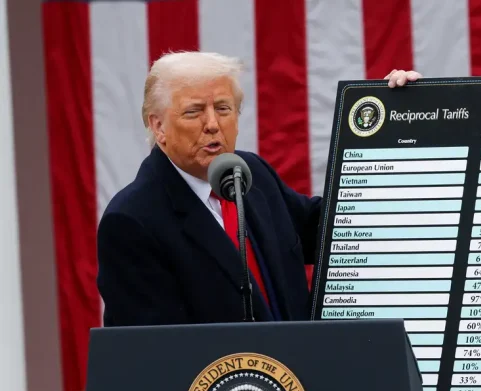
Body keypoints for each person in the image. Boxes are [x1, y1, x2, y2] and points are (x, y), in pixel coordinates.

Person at [96, 51, 421, 326]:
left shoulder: (251, 174)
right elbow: (151, 356)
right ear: (158, 126)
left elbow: (334, 229)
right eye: (194, 111)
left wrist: (396, 120)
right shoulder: (132, 221)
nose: (212, 123)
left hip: (304, 384)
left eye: (223, 109)